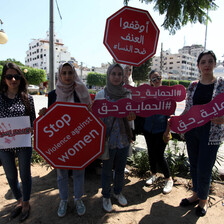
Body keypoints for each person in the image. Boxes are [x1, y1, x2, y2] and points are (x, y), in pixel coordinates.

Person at [39, 62, 91, 217]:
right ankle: (63, 200)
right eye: (64, 73)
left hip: (79, 139)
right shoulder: (53, 94)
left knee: (78, 171)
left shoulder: (80, 91)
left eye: (70, 73)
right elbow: (51, 118)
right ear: (59, 75)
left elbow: (88, 115)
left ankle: (78, 199)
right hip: (60, 142)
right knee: (61, 173)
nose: (67, 76)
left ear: (74, 74)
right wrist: (44, 114)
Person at [177, 51, 224, 216]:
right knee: (195, 165)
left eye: (210, 61)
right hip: (192, 131)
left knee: (205, 168)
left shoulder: (221, 85)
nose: (207, 65)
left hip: (212, 133)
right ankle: (196, 194)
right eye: (203, 62)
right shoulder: (193, 86)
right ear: (198, 65)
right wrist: (176, 121)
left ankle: (203, 201)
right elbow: (188, 109)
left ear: (214, 64)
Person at [94, 63, 135, 212]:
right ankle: (106, 196)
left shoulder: (127, 94)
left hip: (123, 139)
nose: (117, 77)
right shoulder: (101, 95)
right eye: (113, 74)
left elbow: (131, 118)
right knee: (106, 170)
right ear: (108, 75)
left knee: (120, 169)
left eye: (119, 74)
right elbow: (96, 119)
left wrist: (132, 119)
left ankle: (118, 192)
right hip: (107, 140)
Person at [0, 63, 36, 222]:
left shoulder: (28, 98)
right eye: (9, 76)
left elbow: (33, 121)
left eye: (16, 76)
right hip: (4, 144)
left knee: (25, 174)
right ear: (4, 79)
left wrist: (30, 130)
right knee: (10, 175)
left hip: (23, 143)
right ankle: (19, 201)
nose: (13, 79)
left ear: (21, 78)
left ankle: (27, 204)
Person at [143, 70, 173, 194]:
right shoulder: (147, 94)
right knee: (151, 152)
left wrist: (167, 131)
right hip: (148, 129)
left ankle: (168, 178)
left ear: (161, 78)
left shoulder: (168, 95)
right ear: (150, 81)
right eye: (153, 79)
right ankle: (153, 174)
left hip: (161, 130)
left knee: (159, 155)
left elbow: (170, 116)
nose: (156, 80)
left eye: (158, 77)